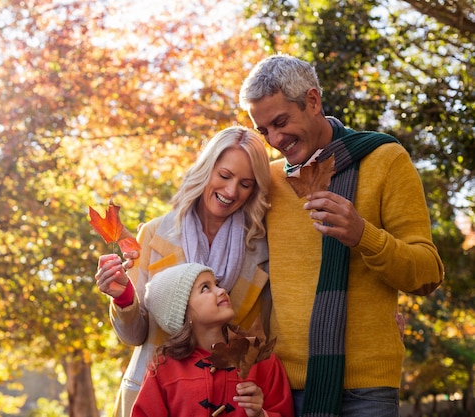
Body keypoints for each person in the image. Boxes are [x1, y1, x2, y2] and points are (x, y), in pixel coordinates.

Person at [238, 54, 444, 417]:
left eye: (281, 122)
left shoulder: (385, 160)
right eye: (264, 130)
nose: (275, 139)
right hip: (284, 385)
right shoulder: (267, 180)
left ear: (313, 101)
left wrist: (363, 234)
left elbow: (427, 273)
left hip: (368, 389)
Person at [95, 126, 273, 417]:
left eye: (246, 184)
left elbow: (259, 339)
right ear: (206, 169)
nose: (231, 191)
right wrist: (123, 298)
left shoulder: (260, 249)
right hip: (154, 396)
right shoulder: (155, 233)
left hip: (229, 401)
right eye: (225, 176)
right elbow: (133, 335)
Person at [132, 262, 294, 417]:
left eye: (216, 284)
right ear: (183, 311)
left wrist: (260, 414)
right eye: (205, 288)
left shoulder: (261, 361)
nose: (222, 290)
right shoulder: (163, 369)